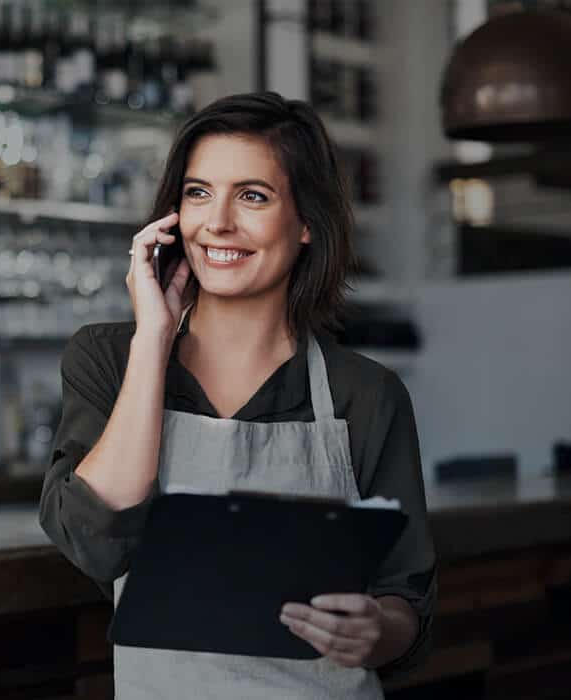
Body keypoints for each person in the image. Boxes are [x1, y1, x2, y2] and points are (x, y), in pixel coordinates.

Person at [38, 92, 437, 699]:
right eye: (198, 193)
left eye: (253, 196)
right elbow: (94, 539)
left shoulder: (367, 395)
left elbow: (406, 597)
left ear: (306, 222)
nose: (217, 222)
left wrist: (375, 630)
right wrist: (153, 338)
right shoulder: (109, 360)